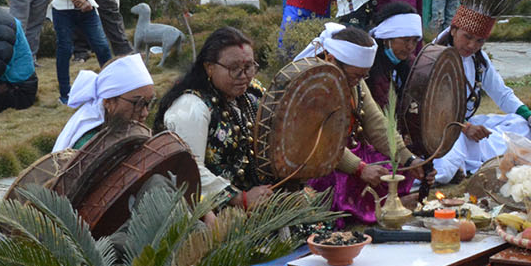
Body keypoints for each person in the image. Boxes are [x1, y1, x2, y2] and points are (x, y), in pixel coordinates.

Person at [296, 24, 414, 224]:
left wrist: (408, 158)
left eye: (363, 76)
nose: (359, 81)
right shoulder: (311, 86)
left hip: (352, 151)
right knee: (346, 185)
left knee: (398, 170)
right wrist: (359, 168)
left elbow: (376, 122)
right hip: (321, 161)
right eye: (355, 76)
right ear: (331, 59)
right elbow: (322, 143)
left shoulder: (356, 81)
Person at [156, 26, 271, 208]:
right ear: (209, 68)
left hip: (261, 196)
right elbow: (189, 170)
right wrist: (240, 198)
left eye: (249, 67)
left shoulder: (252, 93)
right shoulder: (192, 107)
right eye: (234, 68)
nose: (244, 76)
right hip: (212, 213)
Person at [429, 6, 531, 183]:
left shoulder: (478, 58)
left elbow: (502, 94)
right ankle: (459, 163)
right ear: (454, 30)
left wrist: (530, 116)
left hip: (470, 128)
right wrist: (463, 127)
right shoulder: (432, 56)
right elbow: (429, 109)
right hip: (441, 129)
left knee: (523, 126)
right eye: (468, 37)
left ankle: (466, 161)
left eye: (480, 41)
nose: (472, 45)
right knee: (445, 170)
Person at [53, 55, 155, 151]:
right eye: (137, 104)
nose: (145, 113)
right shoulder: (88, 148)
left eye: (148, 103)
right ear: (108, 102)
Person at [367, 4, 423, 109]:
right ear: (386, 38)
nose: (410, 47)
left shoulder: (411, 65)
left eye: (415, 41)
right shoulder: (370, 68)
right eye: (405, 40)